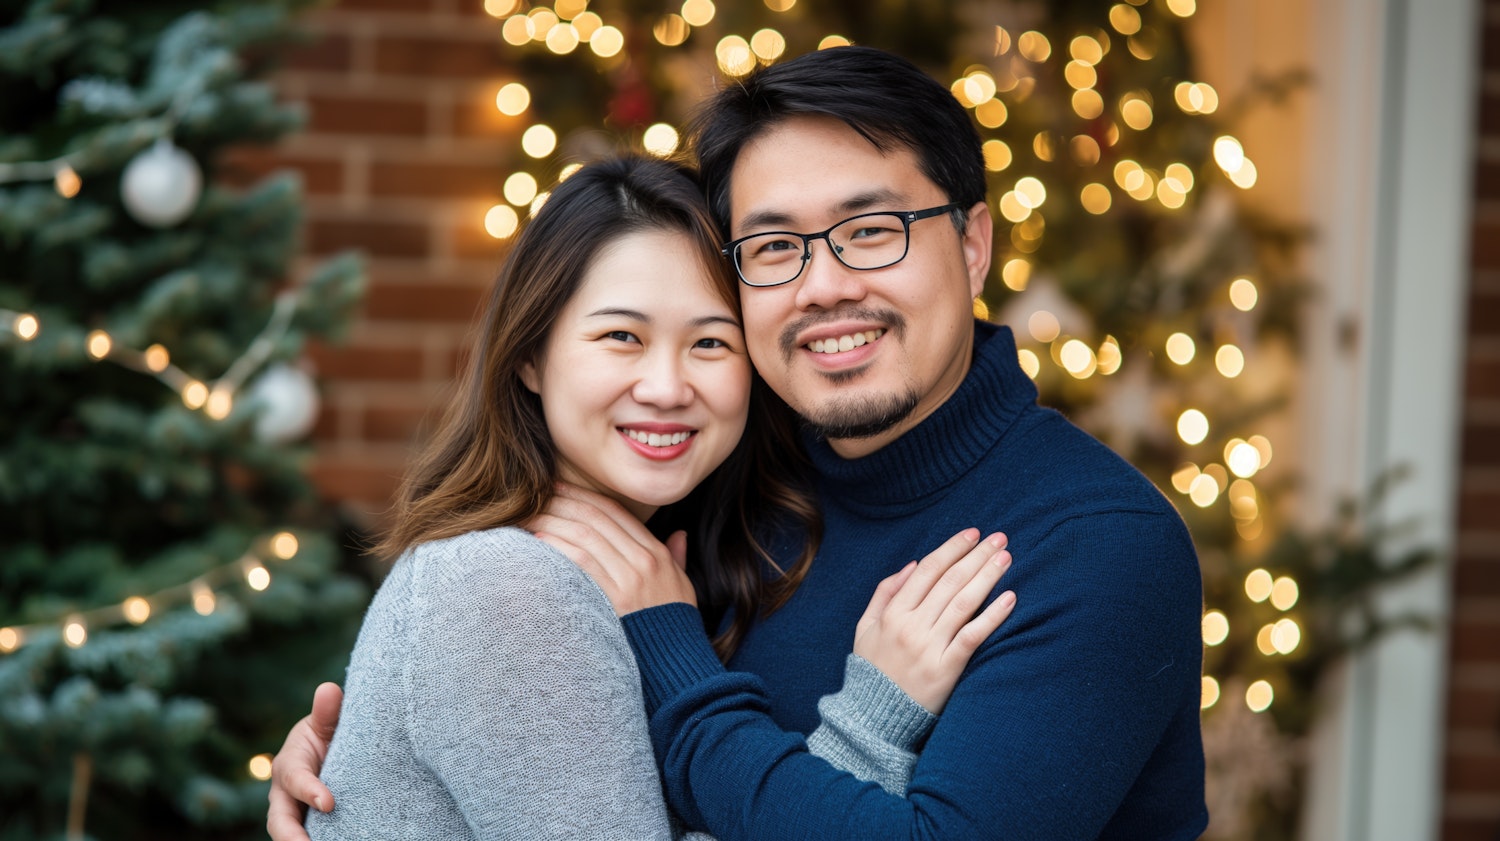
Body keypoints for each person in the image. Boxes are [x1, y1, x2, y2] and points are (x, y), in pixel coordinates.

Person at [274, 45, 1208, 840]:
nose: (824, 285)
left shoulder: (1092, 541)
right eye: (772, 247)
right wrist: (372, 775)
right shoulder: (720, 492)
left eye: (872, 230)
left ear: (972, 244)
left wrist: (676, 657)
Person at [284, 155, 1017, 840]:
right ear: (532, 355)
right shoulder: (506, 586)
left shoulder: (685, 553)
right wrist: (871, 720)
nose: (667, 389)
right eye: (621, 337)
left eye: (710, 343)